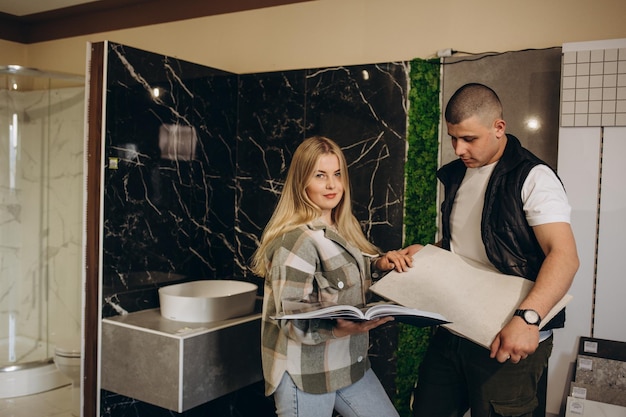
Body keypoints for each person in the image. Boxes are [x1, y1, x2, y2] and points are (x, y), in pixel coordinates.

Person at [410, 83, 579, 417]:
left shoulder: (533, 177)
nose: (458, 149)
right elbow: (470, 246)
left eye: (469, 138)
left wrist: (528, 319)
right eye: (453, 138)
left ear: (498, 128)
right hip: (452, 330)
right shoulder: (458, 174)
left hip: (510, 334)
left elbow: (564, 255)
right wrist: (425, 253)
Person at [251, 135, 414, 417]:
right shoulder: (296, 242)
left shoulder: (344, 228)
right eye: (320, 175)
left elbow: (344, 270)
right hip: (306, 375)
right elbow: (289, 324)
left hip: (349, 365)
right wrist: (338, 329)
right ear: (302, 182)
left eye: (337, 174)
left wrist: (379, 264)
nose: (332, 185)